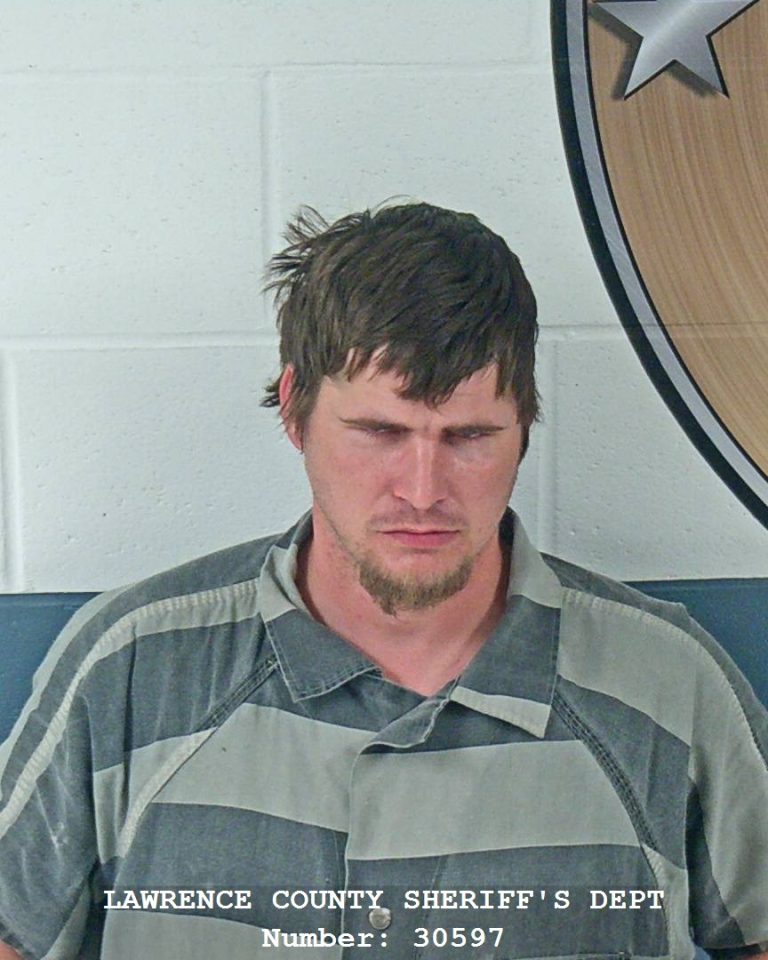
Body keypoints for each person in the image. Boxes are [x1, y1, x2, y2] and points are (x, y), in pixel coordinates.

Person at [0, 201, 766, 960]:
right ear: (295, 411)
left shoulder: (670, 685)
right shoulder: (132, 668)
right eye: (379, 432)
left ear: (524, 426)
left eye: (469, 436)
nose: (423, 490)